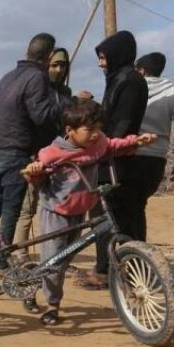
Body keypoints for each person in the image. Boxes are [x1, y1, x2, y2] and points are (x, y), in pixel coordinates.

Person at [22, 100, 155, 326]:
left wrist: (136, 141)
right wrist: (34, 171)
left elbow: (112, 145)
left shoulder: (98, 143)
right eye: (89, 129)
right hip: (56, 210)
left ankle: (34, 277)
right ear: (69, 131)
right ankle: (53, 306)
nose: (96, 134)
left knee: (63, 258)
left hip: (81, 208)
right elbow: (35, 176)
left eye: (99, 128)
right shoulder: (52, 153)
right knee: (55, 261)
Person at [0, 33, 63, 272]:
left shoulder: (8, 77)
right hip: (15, 153)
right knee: (10, 211)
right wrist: (63, 106)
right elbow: (40, 115)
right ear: (48, 56)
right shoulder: (37, 77)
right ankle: (1, 260)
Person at [84, 30, 148, 289]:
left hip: (116, 160)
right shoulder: (119, 79)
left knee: (111, 215)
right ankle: (122, 269)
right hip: (114, 156)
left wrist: (100, 147)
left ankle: (110, 271)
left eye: (103, 57)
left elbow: (121, 124)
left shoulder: (130, 82)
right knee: (117, 215)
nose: (100, 63)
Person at [16, 46, 77, 281]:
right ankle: (21, 254)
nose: (59, 69)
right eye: (54, 65)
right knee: (27, 209)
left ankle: (56, 258)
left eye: (63, 65)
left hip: (59, 158)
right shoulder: (38, 88)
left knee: (55, 208)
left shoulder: (66, 93)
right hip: (36, 156)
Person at [134, 52, 174, 216]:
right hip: (154, 160)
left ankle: (125, 241)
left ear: (141, 71)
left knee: (120, 207)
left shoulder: (128, 88)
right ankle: (135, 241)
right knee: (138, 206)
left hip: (126, 154)